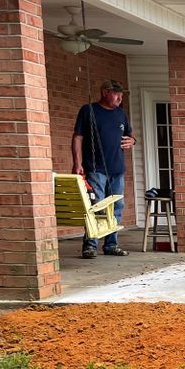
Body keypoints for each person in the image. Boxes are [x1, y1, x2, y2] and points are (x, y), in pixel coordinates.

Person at [72, 79, 135, 258]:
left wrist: (132, 141)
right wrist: (77, 163)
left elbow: (130, 135)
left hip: (117, 169)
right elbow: (78, 137)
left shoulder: (121, 114)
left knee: (117, 206)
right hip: (95, 168)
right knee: (96, 206)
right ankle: (90, 244)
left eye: (121, 95)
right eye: (116, 94)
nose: (119, 98)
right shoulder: (89, 110)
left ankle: (111, 244)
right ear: (105, 92)